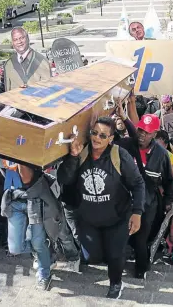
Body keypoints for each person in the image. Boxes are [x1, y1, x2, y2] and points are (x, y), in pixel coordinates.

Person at [0, 103, 68, 291]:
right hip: (14, 196)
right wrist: (0, 133)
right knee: (15, 247)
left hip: (35, 195)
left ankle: (44, 272)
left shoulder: (25, 134)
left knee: (37, 241)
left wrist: (13, 135)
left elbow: (26, 177)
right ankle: (42, 249)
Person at [57, 117, 145, 299]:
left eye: (103, 135)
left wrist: (137, 212)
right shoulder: (81, 153)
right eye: (94, 133)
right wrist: (73, 157)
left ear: (111, 138)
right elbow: (64, 179)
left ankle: (115, 284)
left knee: (115, 253)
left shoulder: (119, 155)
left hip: (117, 218)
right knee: (92, 256)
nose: (97, 138)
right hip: (88, 219)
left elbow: (137, 183)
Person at [117, 114, 173, 279]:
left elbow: (169, 182)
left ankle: (141, 270)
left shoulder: (162, 155)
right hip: (125, 201)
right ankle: (117, 269)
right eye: (141, 130)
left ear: (155, 134)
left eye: (147, 132)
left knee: (141, 239)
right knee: (121, 235)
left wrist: (166, 203)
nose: (142, 134)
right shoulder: (128, 146)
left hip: (148, 204)